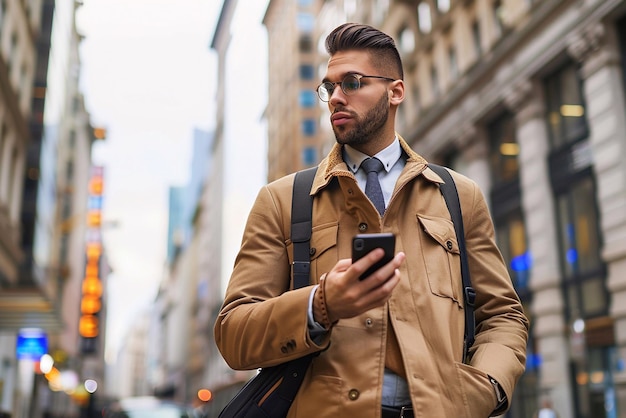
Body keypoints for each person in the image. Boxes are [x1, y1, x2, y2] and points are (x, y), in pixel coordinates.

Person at [214, 22, 529, 417]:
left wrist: (485, 389)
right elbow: (233, 334)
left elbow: (501, 315)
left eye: (353, 83)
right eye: (329, 87)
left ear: (395, 91)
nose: (335, 99)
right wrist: (321, 304)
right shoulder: (281, 200)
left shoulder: (458, 195)